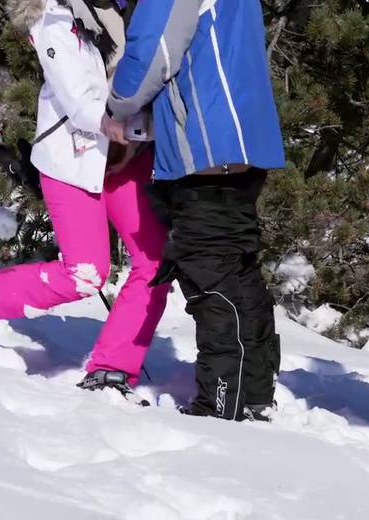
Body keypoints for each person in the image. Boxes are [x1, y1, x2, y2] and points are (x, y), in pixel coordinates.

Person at [0, 0, 170, 404]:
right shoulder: (54, 18)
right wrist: (141, 127)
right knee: (84, 274)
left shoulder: (123, 15)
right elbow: (80, 101)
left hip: (125, 156)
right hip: (73, 160)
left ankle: (111, 368)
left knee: (155, 263)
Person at [100, 0, 286, 421]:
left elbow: (152, 52)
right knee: (239, 271)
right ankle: (253, 390)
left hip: (207, 147)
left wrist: (116, 107)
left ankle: (219, 404)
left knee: (209, 275)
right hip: (244, 140)